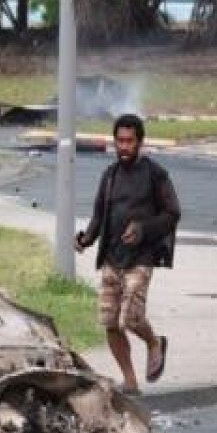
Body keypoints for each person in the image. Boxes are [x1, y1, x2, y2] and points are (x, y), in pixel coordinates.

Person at [75, 114, 179, 395]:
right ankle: (130, 380)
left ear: (140, 142)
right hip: (111, 258)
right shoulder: (109, 176)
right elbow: (99, 216)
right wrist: (85, 239)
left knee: (130, 318)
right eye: (119, 141)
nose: (123, 147)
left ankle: (154, 342)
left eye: (129, 141)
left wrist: (144, 229)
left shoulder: (155, 174)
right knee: (110, 323)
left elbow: (172, 214)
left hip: (141, 258)